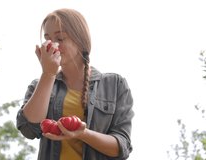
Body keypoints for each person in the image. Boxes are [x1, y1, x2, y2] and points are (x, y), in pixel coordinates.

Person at [16, 8, 134, 160]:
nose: (52, 45)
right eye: (47, 38)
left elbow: (121, 147)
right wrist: (48, 74)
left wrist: (83, 133)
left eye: (60, 38)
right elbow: (29, 129)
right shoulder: (39, 85)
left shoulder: (115, 85)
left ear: (80, 41)